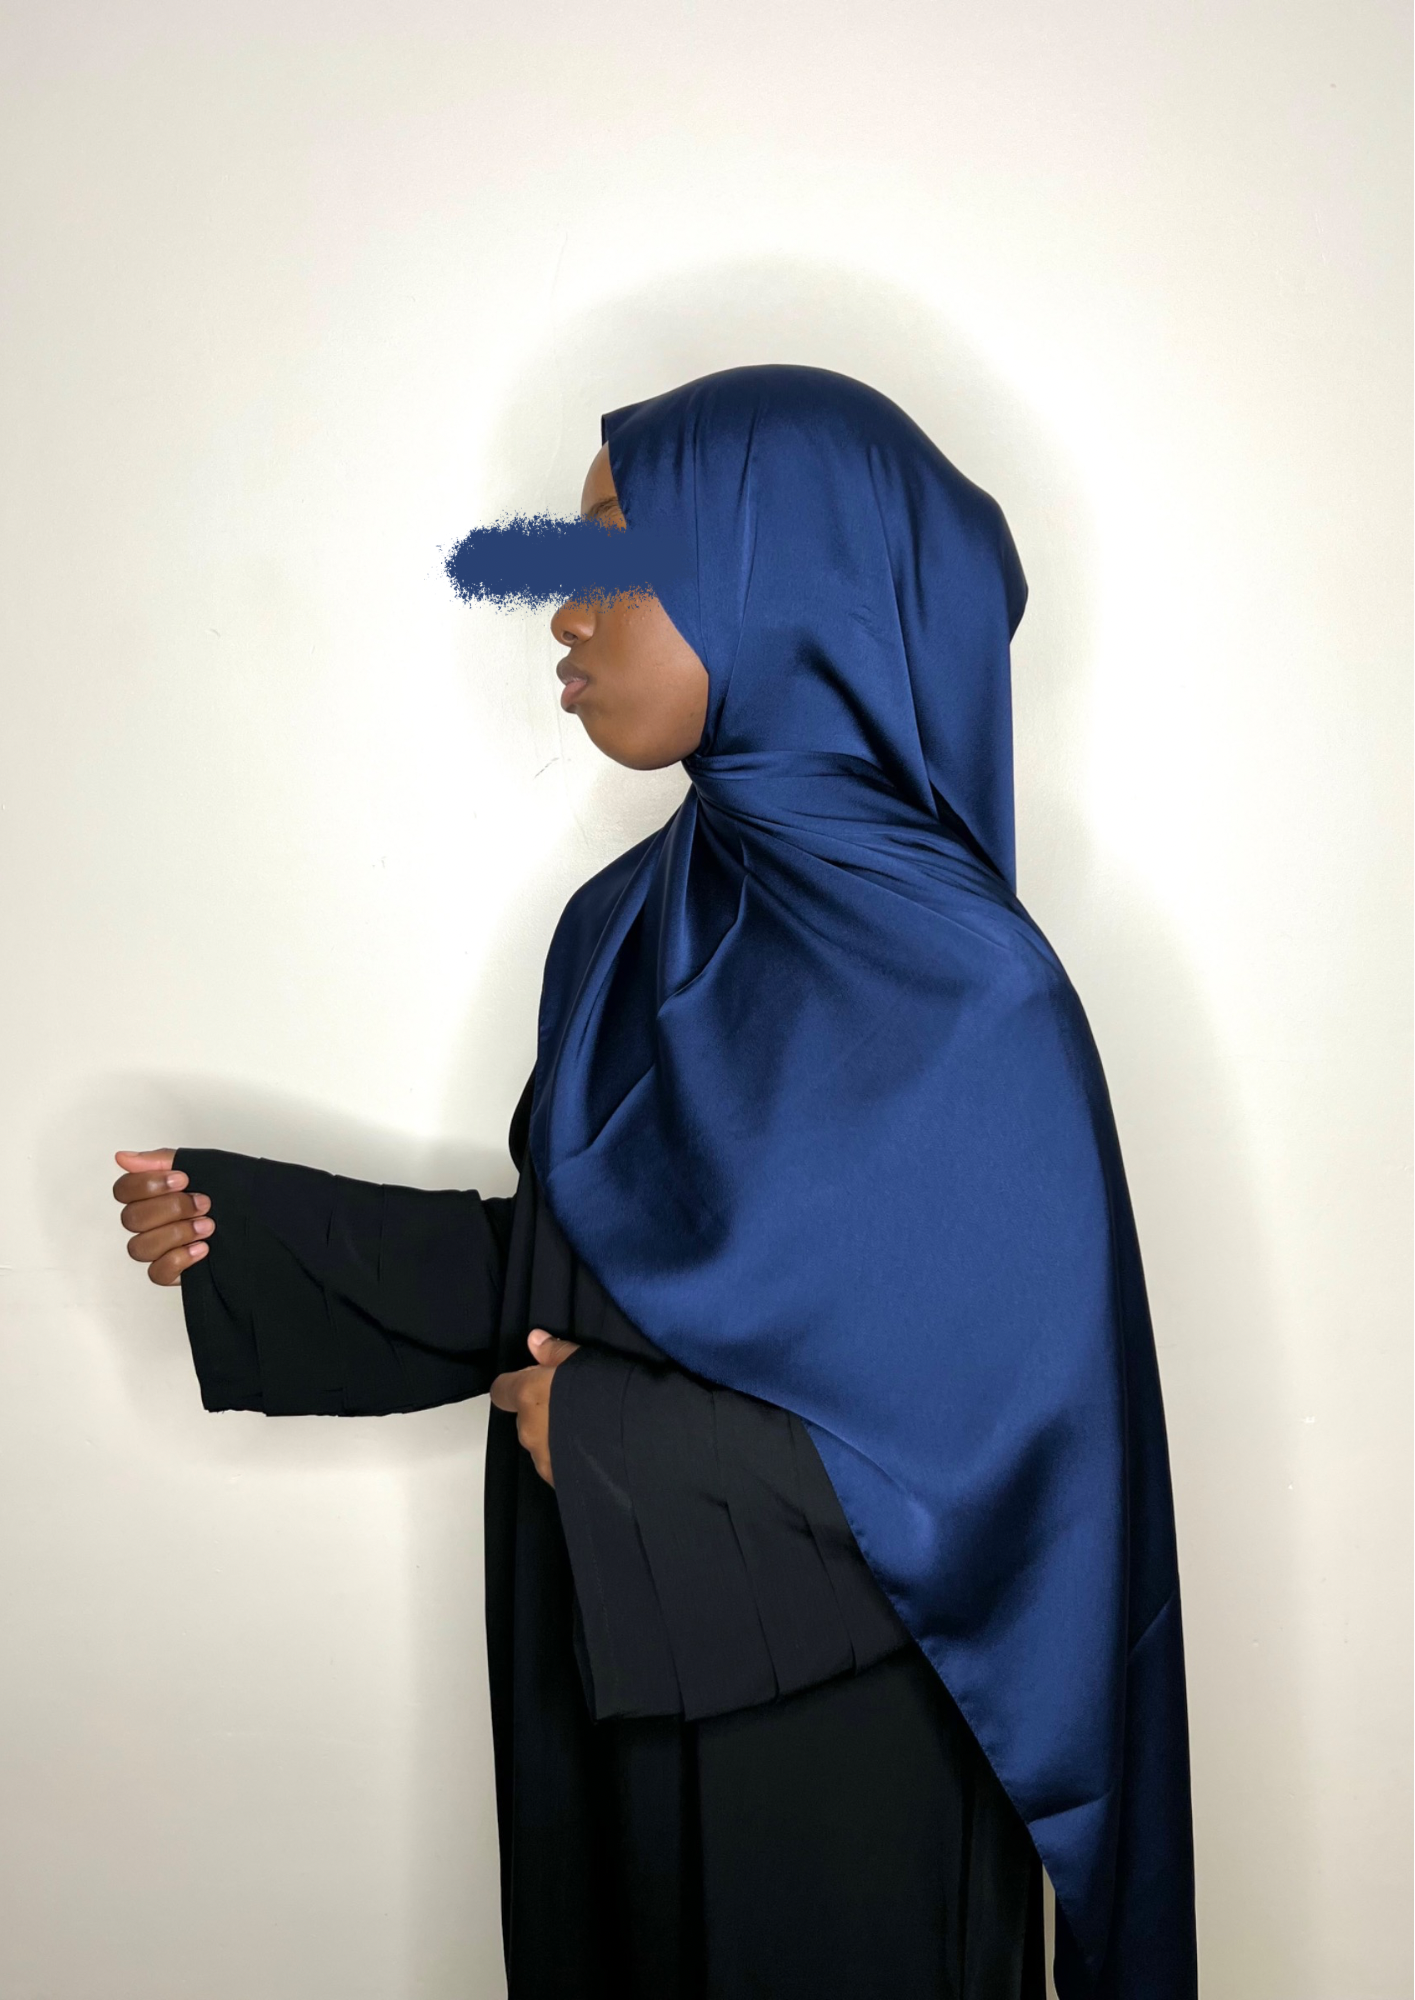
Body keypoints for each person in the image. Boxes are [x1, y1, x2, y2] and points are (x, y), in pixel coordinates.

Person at [113, 365, 1196, 2000]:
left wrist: (623, 1441)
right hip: (616, 1688)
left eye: (617, 546)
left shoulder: (970, 995)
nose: (562, 604)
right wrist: (246, 1232)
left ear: (783, 577)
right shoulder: (626, 930)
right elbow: (579, 1270)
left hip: (847, 1774)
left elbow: (1020, 1481)